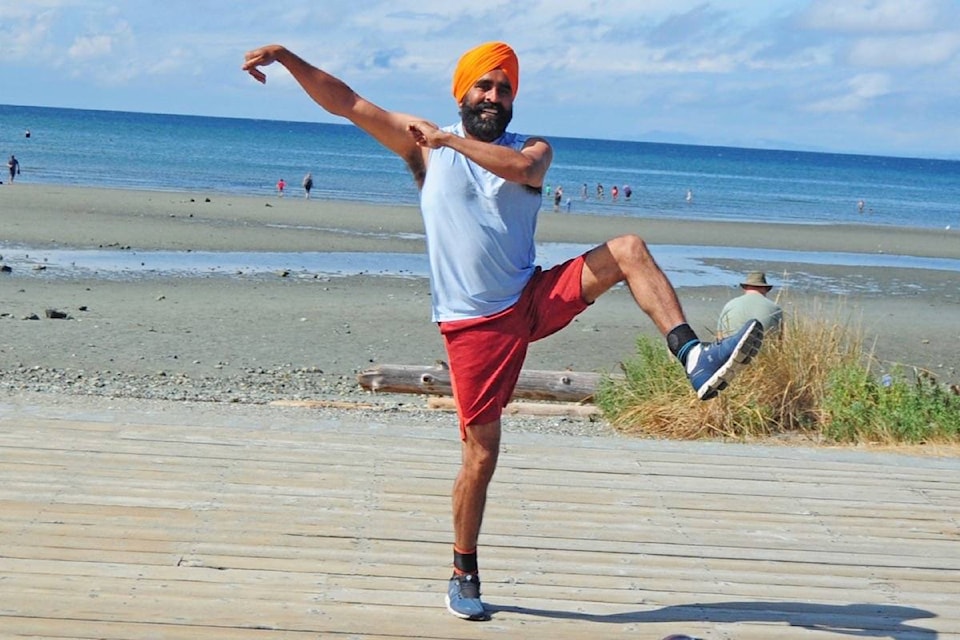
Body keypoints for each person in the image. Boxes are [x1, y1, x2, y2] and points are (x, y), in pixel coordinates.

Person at [243, 40, 763, 622]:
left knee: (628, 250)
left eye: (504, 88)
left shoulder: (529, 149)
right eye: (484, 87)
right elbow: (346, 102)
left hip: (531, 297)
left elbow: (523, 170)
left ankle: (693, 356)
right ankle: (463, 570)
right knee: (481, 457)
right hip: (474, 328)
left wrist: (449, 141)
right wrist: (287, 59)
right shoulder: (425, 147)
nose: (494, 97)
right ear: (462, 92)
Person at [717, 271, 783, 340]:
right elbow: (780, 340)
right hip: (763, 349)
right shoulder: (776, 309)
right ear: (765, 289)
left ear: (745, 287)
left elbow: (719, 336)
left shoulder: (730, 305)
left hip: (730, 349)